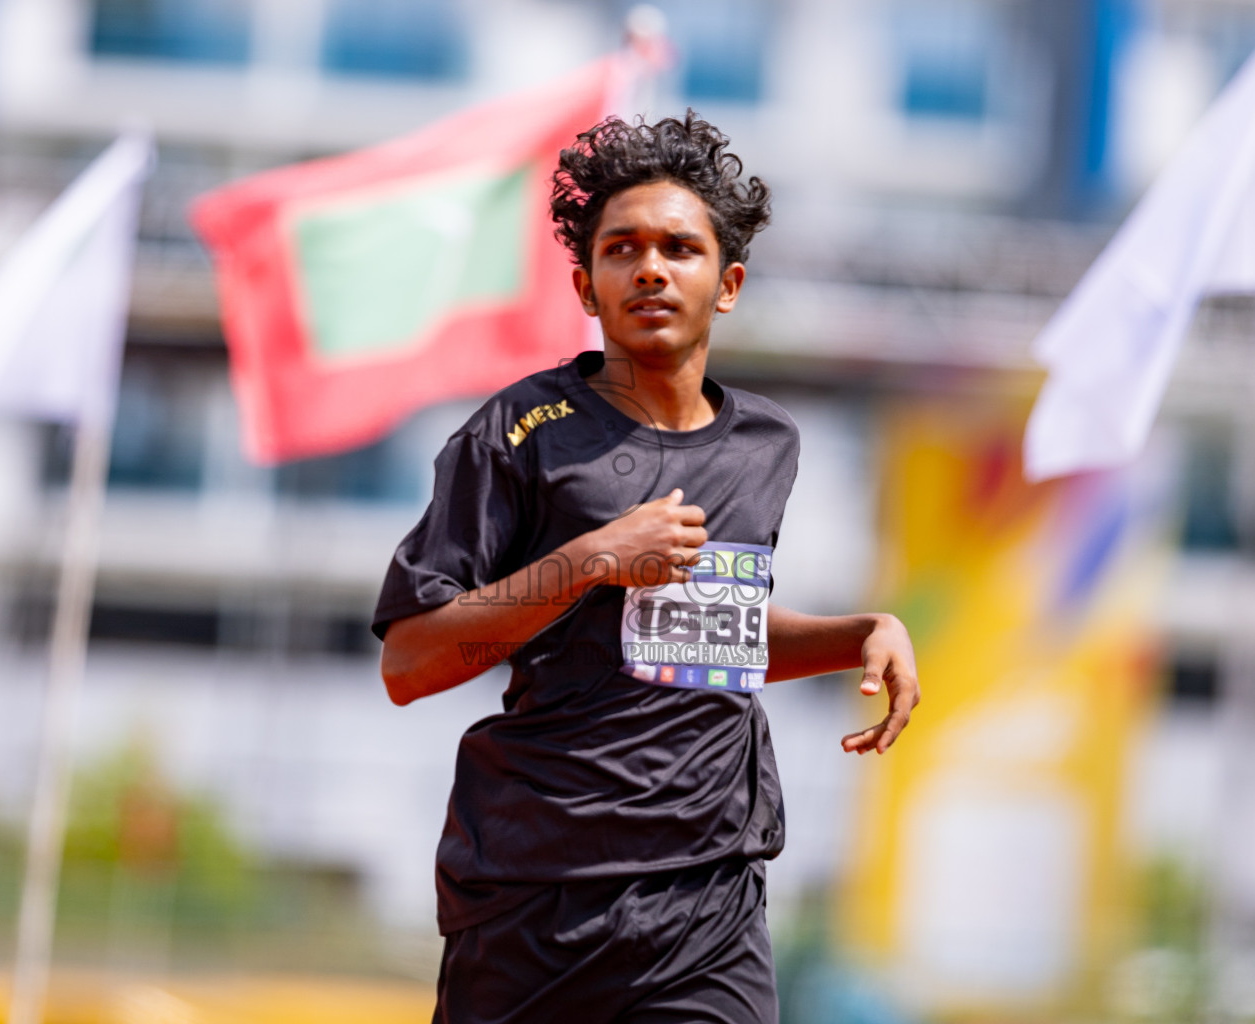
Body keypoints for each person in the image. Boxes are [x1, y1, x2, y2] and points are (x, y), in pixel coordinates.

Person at [372, 111, 919, 1024]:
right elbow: (410, 664)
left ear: (728, 282)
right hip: (534, 895)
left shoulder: (766, 444)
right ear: (588, 287)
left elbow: (709, 638)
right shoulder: (518, 433)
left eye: (679, 247)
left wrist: (863, 632)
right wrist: (588, 561)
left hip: (709, 902)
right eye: (622, 249)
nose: (652, 268)